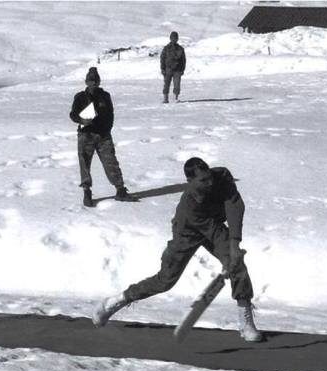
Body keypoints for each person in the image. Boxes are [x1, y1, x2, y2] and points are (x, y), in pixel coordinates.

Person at [92, 157, 263, 342]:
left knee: (237, 264)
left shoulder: (222, 176)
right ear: (190, 182)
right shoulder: (190, 204)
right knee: (165, 281)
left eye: (209, 177)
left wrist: (234, 244)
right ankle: (116, 301)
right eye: (203, 181)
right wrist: (231, 250)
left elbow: (234, 204)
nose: (209, 182)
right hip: (187, 230)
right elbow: (208, 230)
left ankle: (246, 325)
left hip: (213, 222)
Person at [69, 67, 133, 207]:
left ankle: (120, 190)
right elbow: (73, 114)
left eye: (95, 81)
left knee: (111, 162)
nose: (93, 83)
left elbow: (110, 114)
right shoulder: (80, 97)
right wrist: (82, 120)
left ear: (98, 82)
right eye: (90, 81)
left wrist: (106, 130)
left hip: (103, 135)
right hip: (86, 135)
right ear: (86, 82)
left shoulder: (105, 95)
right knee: (85, 164)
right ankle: (87, 192)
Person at [160, 31, 186, 104]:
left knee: (177, 84)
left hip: (177, 70)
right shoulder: (166, 48)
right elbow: (162, 58)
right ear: (170, 38)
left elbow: (183, 60)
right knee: (166, 84)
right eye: (172, 38)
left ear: (177, 39)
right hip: (168, 69)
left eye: (175, 38)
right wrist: (162, 68)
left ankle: (176, 98)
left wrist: (182, 69)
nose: (174, 39)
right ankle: (165, 99)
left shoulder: (180, 49)